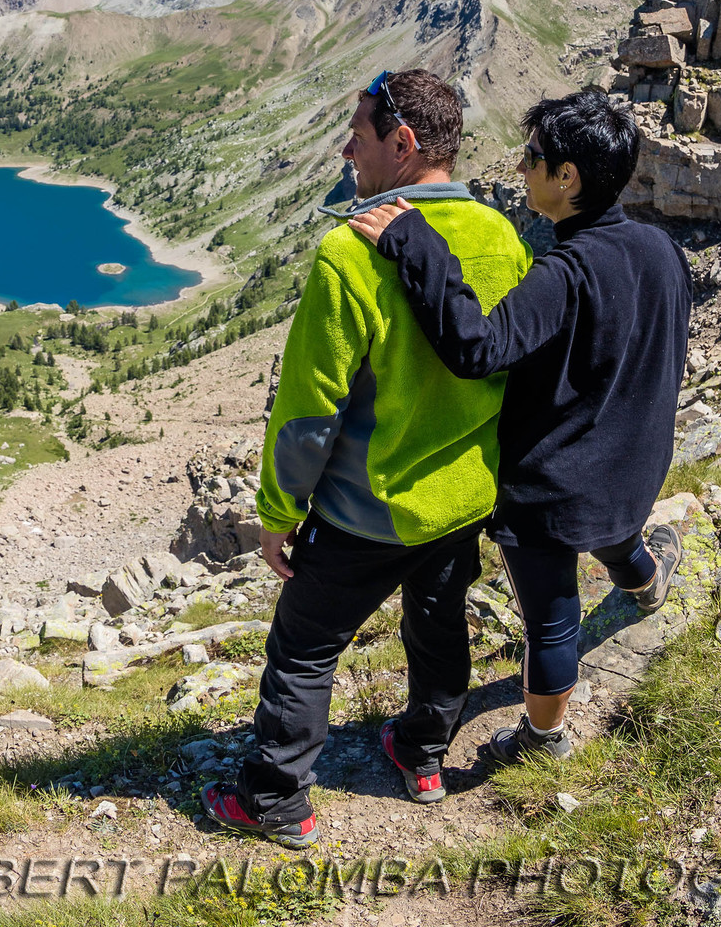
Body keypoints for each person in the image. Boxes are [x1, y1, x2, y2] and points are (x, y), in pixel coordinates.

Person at [200, 68, 532, 845]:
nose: (347, 150)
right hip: (461, 499)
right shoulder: (501, 236)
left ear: (403, 143)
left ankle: (276, 799)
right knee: (439, 624)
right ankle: (423, 754)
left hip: (365, 510)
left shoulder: (348, 254)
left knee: (304, 647)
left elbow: (309, 413)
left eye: (358, 135)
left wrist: (278, 513)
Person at [347, 87, 690, 766]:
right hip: (635, 459)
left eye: (533, 157)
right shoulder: (660, 246)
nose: (521, 165)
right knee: (617, 529)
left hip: (554, 489)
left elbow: (477, 348)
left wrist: (416, 244)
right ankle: (646, 584)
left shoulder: (564, 273)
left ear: (568, 178)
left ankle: (542, 739)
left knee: (552, 620)